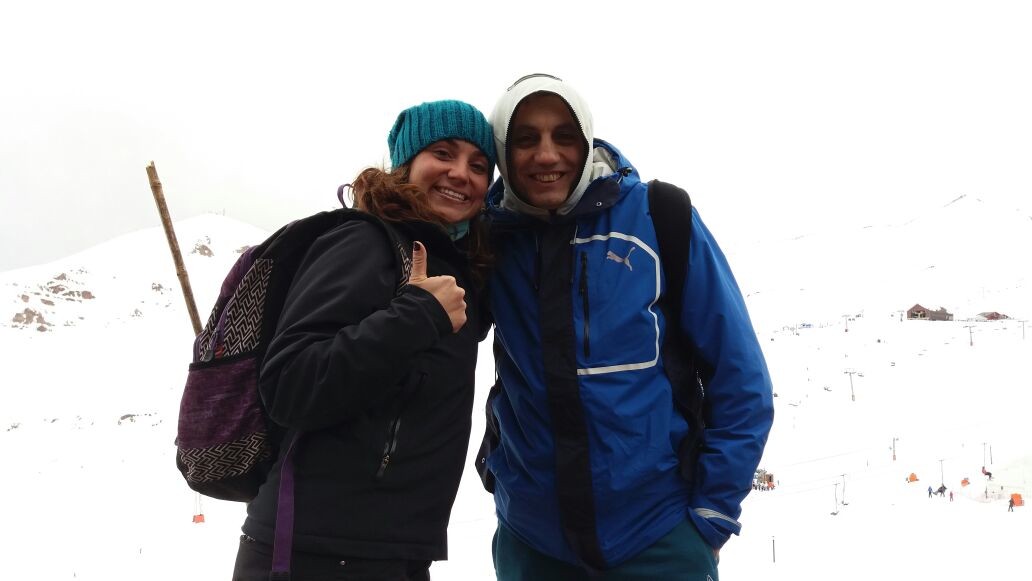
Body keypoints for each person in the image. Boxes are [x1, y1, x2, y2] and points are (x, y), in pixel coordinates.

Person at [476, 74, 775, 579]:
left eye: (564, 136)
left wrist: (713, 512)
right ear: (504, 151)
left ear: (587, 139)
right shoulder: (489, 237)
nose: (547, 154)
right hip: (533, 540)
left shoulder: (658, 216)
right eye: (525, 139)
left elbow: (740, 376)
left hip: (657, 533)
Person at [231, 100, 496, 581]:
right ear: (407, 162)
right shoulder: (364, 240)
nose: (461, 173)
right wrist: (417, 317)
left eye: (479, 166)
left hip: (394, 550)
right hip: (311, 551)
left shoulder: (456, 267)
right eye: (443, 153)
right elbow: (290, 383)